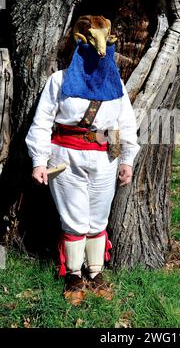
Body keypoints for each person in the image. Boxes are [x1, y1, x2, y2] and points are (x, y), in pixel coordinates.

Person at [25, 33, 140, 306]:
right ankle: (74, 276)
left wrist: (126, 159)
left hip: (104, 160)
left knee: (99, 219)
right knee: (74, 220)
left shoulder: (115, 84)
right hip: (65, 158)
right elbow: (42, 122)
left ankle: (96, 274)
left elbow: (126, 124)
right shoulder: (60, 80)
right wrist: (39, 160)